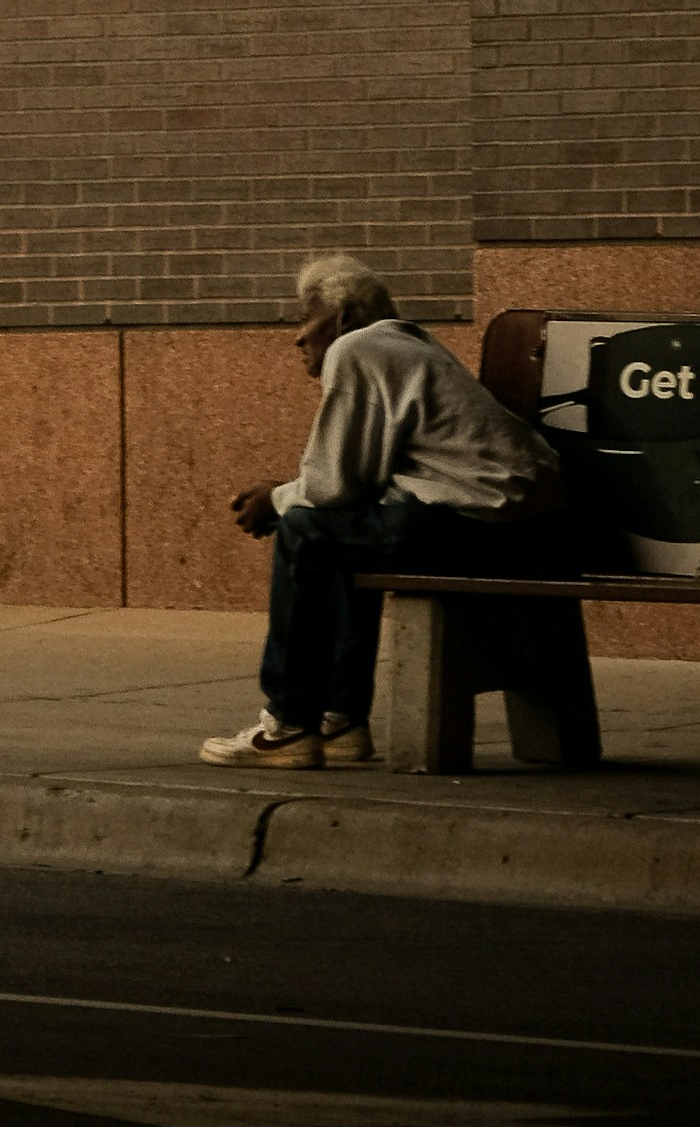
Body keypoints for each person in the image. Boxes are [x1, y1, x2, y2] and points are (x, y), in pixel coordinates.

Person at [199, 252, 561, 769]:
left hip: (478, 526)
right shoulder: (407, 344)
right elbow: (356, 487)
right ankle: (340, 720)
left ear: (344, 317)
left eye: (306, 317)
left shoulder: (358, 346)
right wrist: (290, 493)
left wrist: (276, 500)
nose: (298, 336)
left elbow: (334, 487)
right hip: (529, 531)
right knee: (341, 535)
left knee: (305, 530)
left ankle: (288, 725)